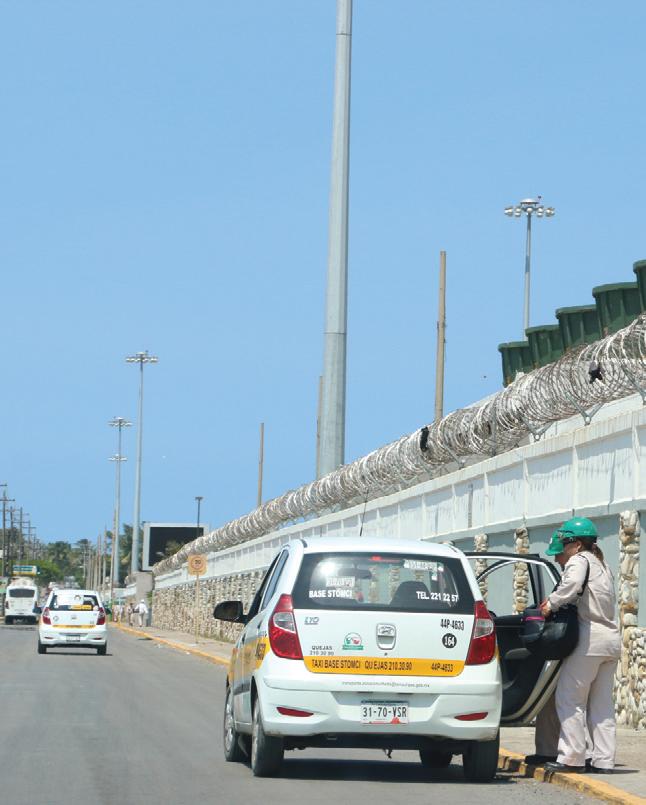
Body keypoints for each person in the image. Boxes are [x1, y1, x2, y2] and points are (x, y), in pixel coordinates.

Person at [538, 517, 621, 775]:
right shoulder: (602, 565)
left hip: (589, 640)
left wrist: (551, 603)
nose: (560, 553)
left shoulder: (579, 560)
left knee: (569, 698)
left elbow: (572, 586)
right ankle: (603, 761)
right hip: (611, 641)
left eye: (563, 545)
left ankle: (572, 757)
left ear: (575, 544)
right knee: (601, 706)